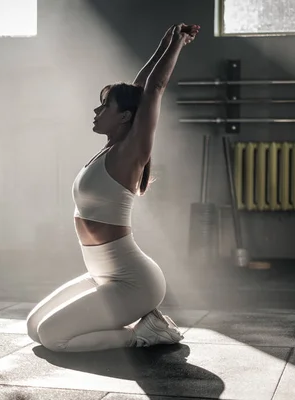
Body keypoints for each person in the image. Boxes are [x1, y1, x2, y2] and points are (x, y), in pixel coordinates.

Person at [26, 23, 200, 352]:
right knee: (34, 328)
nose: (96, 110)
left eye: (105, 106)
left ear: (124, 118)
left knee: (53, 337)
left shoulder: (129, 153)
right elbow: (139, 90)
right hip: (102, 275)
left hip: (132, 283)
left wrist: (177, 45)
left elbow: (154, 89)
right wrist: (163, 42)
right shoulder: (109, 149)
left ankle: (147, 332)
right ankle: (139, 323)